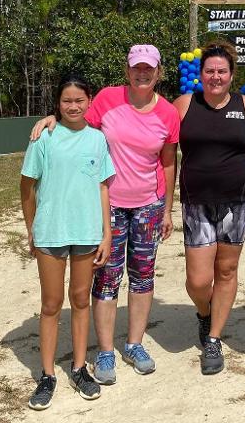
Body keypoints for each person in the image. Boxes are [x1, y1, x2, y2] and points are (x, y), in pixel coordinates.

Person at [30, 45, 179, 384]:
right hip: (107, 204)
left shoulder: (168, 113)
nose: (142, 74)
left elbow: (169, 161)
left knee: (143, 273)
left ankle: (135, 344)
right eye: (136, 68)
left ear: (158, 73)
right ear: (127, 71)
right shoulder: (108, 99)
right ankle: (107, 351)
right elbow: (76, 119)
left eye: (149, 69)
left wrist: (168, 207)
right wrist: (52, 118)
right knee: (107, 277)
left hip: (148, 204)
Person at [21, 73, 115, 411]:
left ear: (89, 101)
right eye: (66, 101)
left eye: (79, 100)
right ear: (57, 104)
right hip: (50, 232)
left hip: (87, 233)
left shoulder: (97, 140)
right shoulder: (43, 137)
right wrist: (32, 227)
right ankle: (47, 375)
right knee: (50, 303)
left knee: (79, 300)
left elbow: (104, 188)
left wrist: (106, 233)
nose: (73, 106)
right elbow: (27, 185)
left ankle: (78, 367)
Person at [174, 40, 245, 375]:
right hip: (196, 202)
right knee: (197, 280)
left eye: (221, 71)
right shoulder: (184, 104)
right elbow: (144, 118)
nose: (215, 76)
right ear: (201, 74)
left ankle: (213, 337)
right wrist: (57, 115)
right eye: (209, 70)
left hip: (237, 202)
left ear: (232, 73)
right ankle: (204, 311)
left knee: (226, 271)